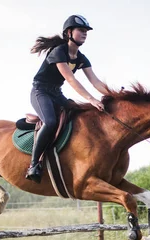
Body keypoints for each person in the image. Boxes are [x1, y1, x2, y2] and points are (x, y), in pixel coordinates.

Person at [26, 15, 109, 183]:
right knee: (50, 122)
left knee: (80, 115)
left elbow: (95, 81)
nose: (85, 34)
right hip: (40, 91)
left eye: (86, 31)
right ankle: (33, 165)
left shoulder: (81, 58)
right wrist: (92, 99)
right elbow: (71, 79)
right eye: (81, 30)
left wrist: (113, 93)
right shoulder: (59, 52)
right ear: (69, 32)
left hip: (56, 93)